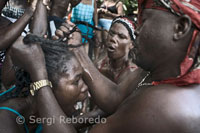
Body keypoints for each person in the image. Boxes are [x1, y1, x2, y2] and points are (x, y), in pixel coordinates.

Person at [96, 16, 137, 83]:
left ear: (131, 44)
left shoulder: (133, 75)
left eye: (121, 37)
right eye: (111, 33)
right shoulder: (99, 66)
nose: (113, 39)